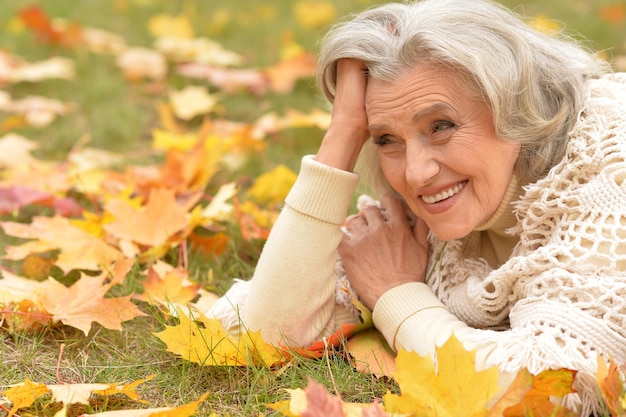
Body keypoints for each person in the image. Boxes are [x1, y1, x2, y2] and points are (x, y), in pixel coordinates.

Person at [209, 0, 626, 414]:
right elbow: (266, 330)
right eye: (386, 139)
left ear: (516, 107)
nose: (415, 174)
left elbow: (550, 389)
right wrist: (344, 134)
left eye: (441, 126)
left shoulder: (609, 162)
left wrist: (396, 295)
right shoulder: (423, 215)